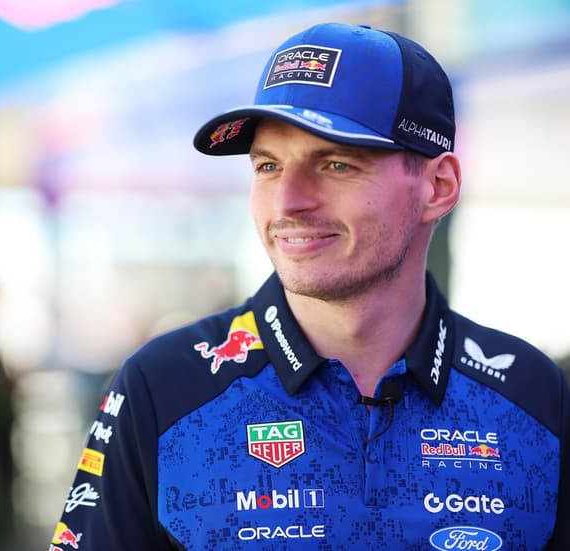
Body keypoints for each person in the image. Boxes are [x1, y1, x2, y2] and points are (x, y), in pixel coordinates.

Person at [49, 22, 569, 550]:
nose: (288, 201)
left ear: (438, 186)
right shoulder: (164, 388)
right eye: (268, 166)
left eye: (336, 164)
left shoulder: (533, 396)